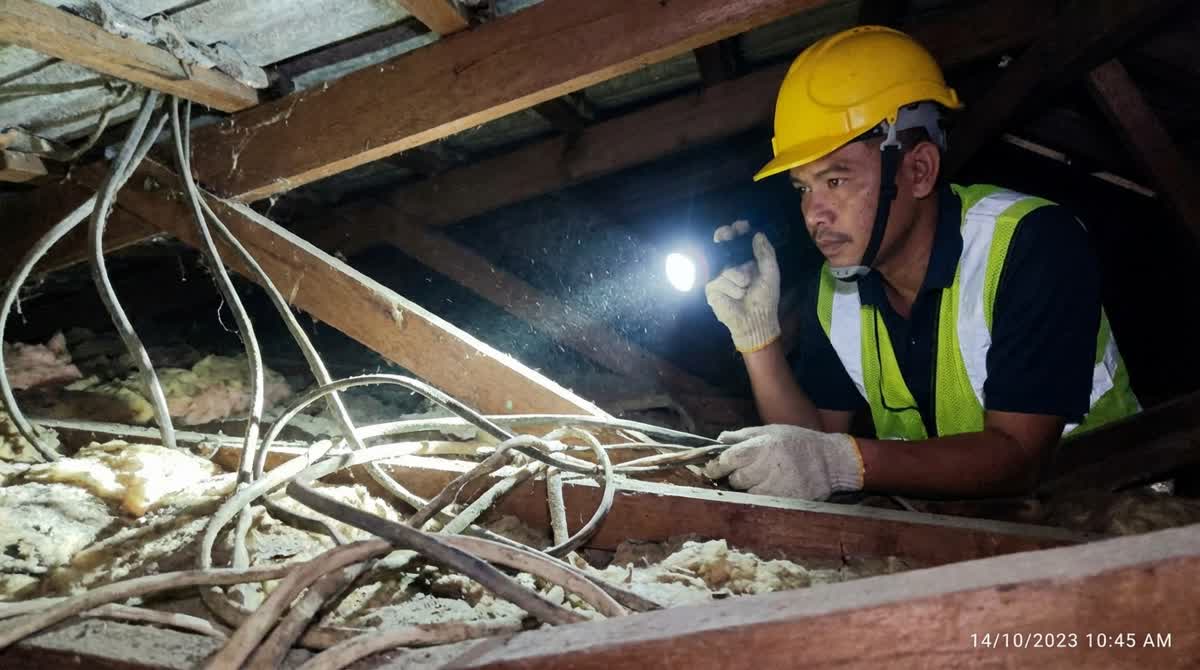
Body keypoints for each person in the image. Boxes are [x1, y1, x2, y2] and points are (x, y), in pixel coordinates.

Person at [703, 25, 1140, 501]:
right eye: (804, 188)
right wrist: (758, 339)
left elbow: (1020, 457)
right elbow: (805, 447)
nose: (814, 213)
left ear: (918, 170)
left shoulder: (1030, 243)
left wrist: (843, 462)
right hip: (977, 540)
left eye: (836, 180)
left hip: (1117, 519)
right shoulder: (835, 292)